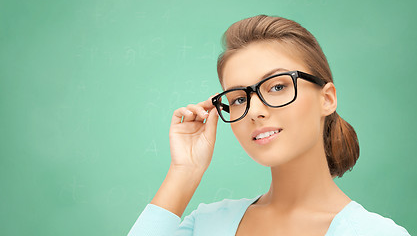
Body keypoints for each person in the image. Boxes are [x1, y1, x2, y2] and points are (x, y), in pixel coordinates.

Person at [127, 15, 410, 235]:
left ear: (327, 99)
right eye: (238, 99)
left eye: (276, 87)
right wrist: (184, 171)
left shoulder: (375, 233)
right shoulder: (206, 224)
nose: (254, 111)